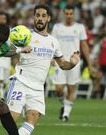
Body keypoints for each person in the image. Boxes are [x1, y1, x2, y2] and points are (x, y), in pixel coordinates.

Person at [6, 5, 80, 135]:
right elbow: (5, 51)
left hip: (38, 87)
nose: (40, 19)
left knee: (33, 118)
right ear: (33, 17)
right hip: (21, 82)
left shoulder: (53, 42)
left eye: (43, 16)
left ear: (49, 18)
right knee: (11, 118)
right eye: (37, 15)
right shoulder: (25, 34)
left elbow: (62, 64)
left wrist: (73, 63)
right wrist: (19, 49)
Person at [51, 5, 94, 122]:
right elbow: (52, 44)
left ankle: (65, 114)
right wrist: (51, 58)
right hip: (60, 61)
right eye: (67, 13)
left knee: (71, 88)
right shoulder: (57, 27)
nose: (69, 16)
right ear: (64, 14)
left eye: (71, 13)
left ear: (74, 14)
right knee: (58, 89)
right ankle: (64, 105)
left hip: (74, 62)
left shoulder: (79, 27)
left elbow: (84, 46)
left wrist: (89, 64)